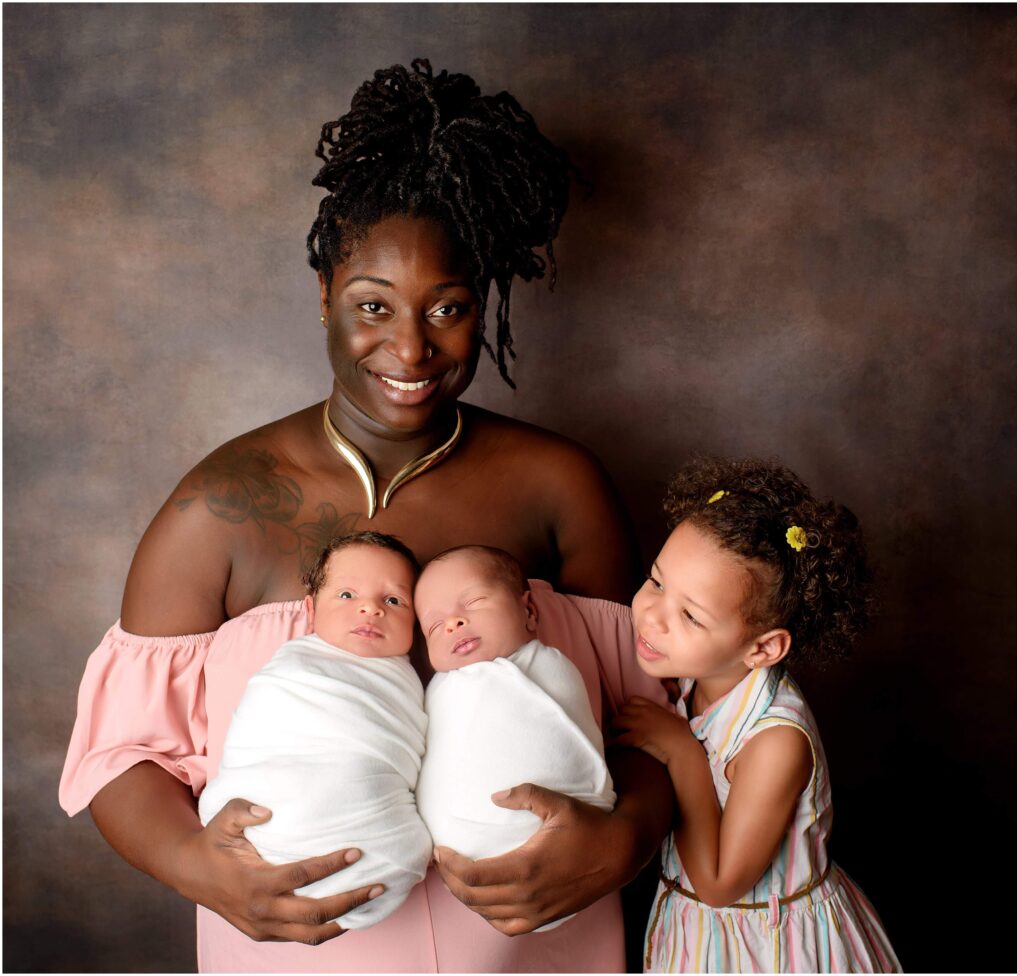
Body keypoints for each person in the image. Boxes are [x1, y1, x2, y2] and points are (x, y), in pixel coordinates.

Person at [59, 59, 672, 973]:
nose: (411, 347)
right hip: (298, 946)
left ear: (485, 303)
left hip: (537, 942)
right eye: (372, 306)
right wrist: (197, 863)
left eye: (450, 309)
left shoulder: (560, 484)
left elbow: (654, 719)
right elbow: (120, 756)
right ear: (323, 298)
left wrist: (623, 839)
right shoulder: (220, 503)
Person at [614, 457, 902, 973]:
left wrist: (682, 753)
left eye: (690, 615)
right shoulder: (687, 675)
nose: (651, 615)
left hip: (766, 945)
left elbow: (722, 884)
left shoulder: (776, 743)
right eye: (656, 582)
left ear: (764, 648)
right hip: (693, 932)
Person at [198, 532, 432, 930]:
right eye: (346, 595)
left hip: (372, 836)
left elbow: (408, 756)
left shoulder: (409, 682)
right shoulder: (292, 666)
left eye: (393, 600)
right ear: (311, 610)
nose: (370, 609)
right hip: (265, 819)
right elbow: (254, 742)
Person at [414, 546, 616, 878]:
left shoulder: (548, 665)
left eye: (474, 602)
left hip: (567, 842)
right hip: (456, 863)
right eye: (434, 626)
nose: (452, 623)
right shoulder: (436, 691)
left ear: (530, 612)